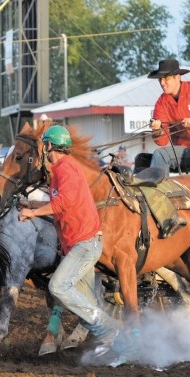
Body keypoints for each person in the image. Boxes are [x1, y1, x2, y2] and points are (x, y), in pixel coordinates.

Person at [17, 125, 121, 364]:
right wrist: (30, 207)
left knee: (59, 287)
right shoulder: (61, 171)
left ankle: (109, 331)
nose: (44, 150)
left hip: (84, 244)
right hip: (78, 245)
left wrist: (32, 214)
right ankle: (113, 341)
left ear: (50, 146)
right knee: (84, 302)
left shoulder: (66, 168)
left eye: (45, 145)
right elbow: (60, 205)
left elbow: (63, 203)